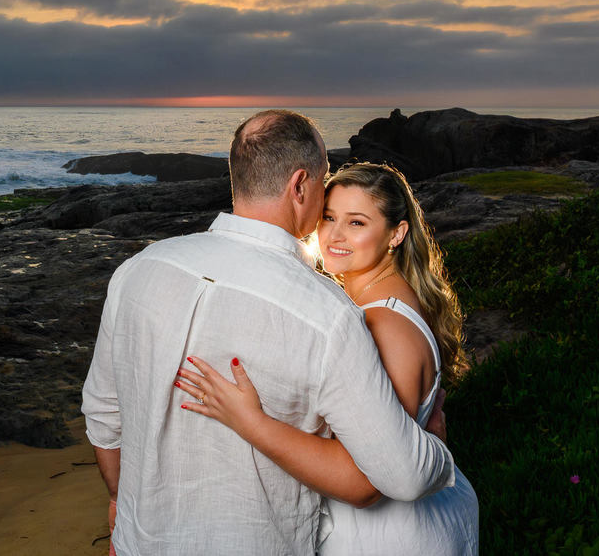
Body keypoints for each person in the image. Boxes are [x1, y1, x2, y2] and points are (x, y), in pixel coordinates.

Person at [81, 111, 456, 556]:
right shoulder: (329, 316)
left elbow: (105, 419)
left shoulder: (136, 270)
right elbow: (396, 477)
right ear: (300, 185)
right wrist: (434, 444)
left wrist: (120, 502)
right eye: (324, 179)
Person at [176, 162, 479, 555]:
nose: (334, 235)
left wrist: (250, 422)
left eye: (356, 223)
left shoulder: (383, 325)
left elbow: (364, 476)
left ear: (396, 233)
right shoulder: (369, 304)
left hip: (379, 538)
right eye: (329, 217)